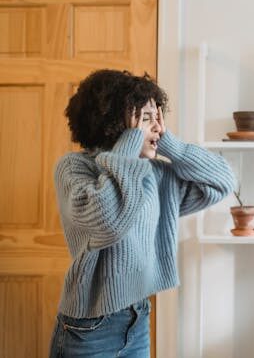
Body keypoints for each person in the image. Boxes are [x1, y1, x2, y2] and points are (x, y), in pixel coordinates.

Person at [49, 69, 235, 357]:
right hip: (88, 329)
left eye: (157, 118)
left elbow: (223, 181)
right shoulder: (75, 168)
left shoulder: (157, 174)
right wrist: (131, 144)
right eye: (145, 119)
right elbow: (107, 221)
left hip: (137, 319)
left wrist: (169, 143)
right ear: (113, 122)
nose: (156, 128)